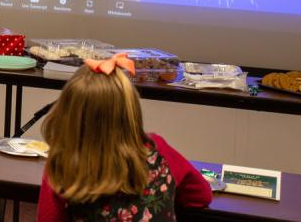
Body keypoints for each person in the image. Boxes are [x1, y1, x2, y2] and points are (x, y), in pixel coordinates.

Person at [38, 54, 212, 221]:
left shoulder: (62, 163)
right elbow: (201, 196)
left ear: (68, 112)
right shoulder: (157, 148)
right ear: (130, 109)